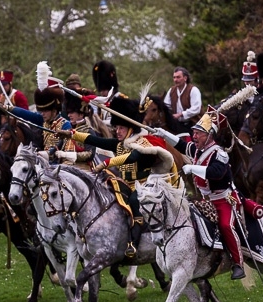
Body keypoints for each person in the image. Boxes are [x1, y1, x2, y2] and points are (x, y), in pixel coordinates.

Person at [58, 97, 175, 257]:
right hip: (124, 183)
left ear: (130, 129)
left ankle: (133, 243)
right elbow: (95, 140)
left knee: (134, 201)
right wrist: (71, 134)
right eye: (117, 127)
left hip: (144, 185)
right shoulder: (118, 144)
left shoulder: (141, 144)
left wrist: (107, 163)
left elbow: (132, 157)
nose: (117, 131)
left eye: (121, 128)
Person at [166, 111, 246, 280]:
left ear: (209, 135)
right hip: (205, 200)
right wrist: (163, 134)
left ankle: (238, 263)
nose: (193, 136)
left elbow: (215, 173)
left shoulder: (220, 154)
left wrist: (192, 168)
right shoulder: (197, 149)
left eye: (198, 133)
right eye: (194, 133)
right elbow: (181, 145)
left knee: (225, 226)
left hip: (223, 199)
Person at [0, 85, 71, 152]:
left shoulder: (66, 125)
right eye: (41, 111)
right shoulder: (43, 120)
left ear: (54, 111)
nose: (42, 114)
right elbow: (26, 114)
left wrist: (48, 154)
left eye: (45, 111)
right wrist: (7, 108)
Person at [52, 90, 98, 171]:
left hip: (81, 169)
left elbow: (90, 154)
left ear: (81, 114)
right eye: (68, 112)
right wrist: (47, 153)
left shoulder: (89, 131)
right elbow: (57, 148)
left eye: (72, 112)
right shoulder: (68, 131)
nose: (69, 115)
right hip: (64, 168)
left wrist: (67, 155)